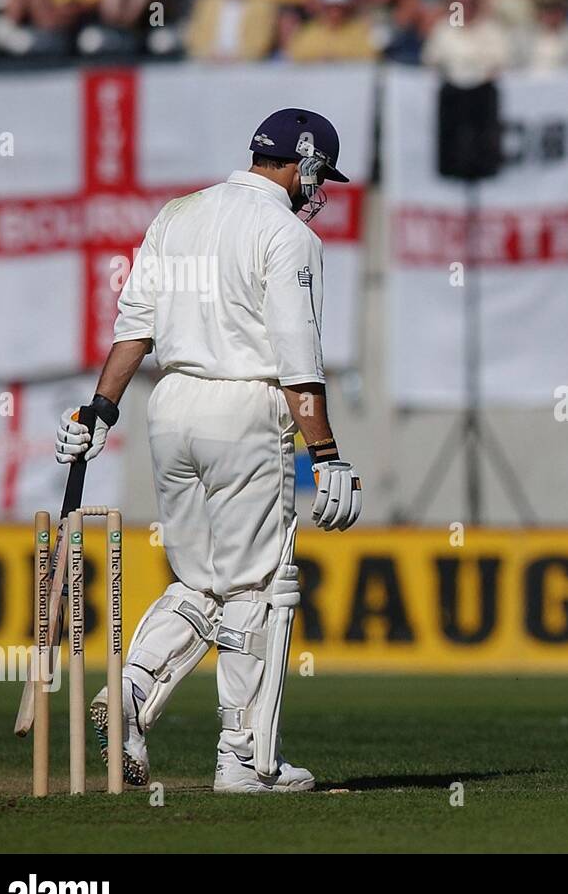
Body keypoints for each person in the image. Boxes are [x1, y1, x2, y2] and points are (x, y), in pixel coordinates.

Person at [53, 109, 363, 794]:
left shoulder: (178, 214)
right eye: (319, 176)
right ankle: (246, 760)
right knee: (260, 586)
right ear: (303, 166)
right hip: (244, 410)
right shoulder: (286, 235)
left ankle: (131, 694)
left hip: (171, 408)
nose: (320, 191)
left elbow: (134, 327)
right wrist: (328, 452)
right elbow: (297, 356)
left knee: (201, 581)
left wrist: (100, 410)